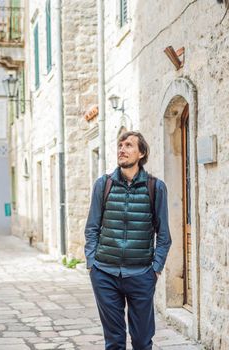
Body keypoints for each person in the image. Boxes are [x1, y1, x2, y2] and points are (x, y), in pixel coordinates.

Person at [84, 131, 172, 350]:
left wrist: (155, 269)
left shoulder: (155, 187)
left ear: (141, 153)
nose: (122, 149)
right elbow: (92, 228)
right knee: (114, 342)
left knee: (142, 341)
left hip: (141, 274)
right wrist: (91, 264)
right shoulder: (103, 185)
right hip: (104, 273)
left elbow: (164, 235)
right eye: (120, 145)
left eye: (129, 145)